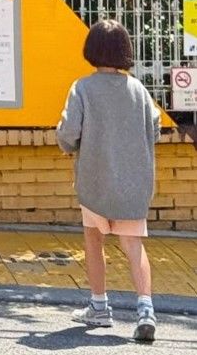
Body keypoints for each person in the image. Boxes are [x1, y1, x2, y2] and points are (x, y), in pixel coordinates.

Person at [56, 19, 161, 343]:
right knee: (133, 246)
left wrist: (68, 143)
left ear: (91, 50)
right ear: (125, 51)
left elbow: (69, 133)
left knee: (93, 240)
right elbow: (154, 129)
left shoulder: (82, 88)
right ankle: (146, 309)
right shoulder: (139, 90)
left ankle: (99, 307)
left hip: (96, 180)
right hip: (133, 183)